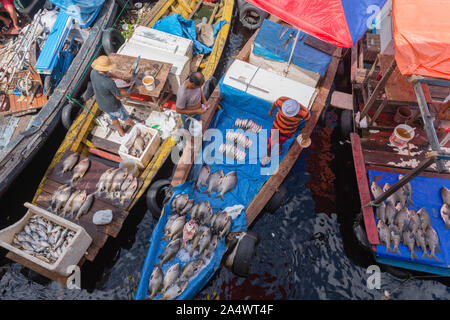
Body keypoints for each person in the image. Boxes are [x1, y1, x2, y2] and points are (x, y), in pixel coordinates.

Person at [90, 55, 134, 137]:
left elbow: (109, 74)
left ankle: (121, 132)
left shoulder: (93, 72)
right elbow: (118, 97)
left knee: (113, 118)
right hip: (113, 106)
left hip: (101, 104)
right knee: (125, 117)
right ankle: (136, 126)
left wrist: (122, 78)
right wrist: (126, 94)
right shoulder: (109, 82)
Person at [261, 97, 310, 167]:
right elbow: (274, 105)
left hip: (288, 131)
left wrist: (305, 131)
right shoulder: (281, 100)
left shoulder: (304, 112)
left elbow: (307, 121)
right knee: (270, 143)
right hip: (276, 127)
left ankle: (280, 146)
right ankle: (268, 156)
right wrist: (271, 111)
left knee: (281, 141)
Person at [176, 71, 208, 148]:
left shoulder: (196, 85)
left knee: (197, 126)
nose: (199, 87)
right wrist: (196, 111)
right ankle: (191, 141)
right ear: (193, 84)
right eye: (198, 86)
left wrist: (204, 101)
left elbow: (200, 91)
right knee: (190, 131)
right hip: (189, 117)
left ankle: (196, 135)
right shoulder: (182, 94)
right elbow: (178, 110)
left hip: (197, 112)